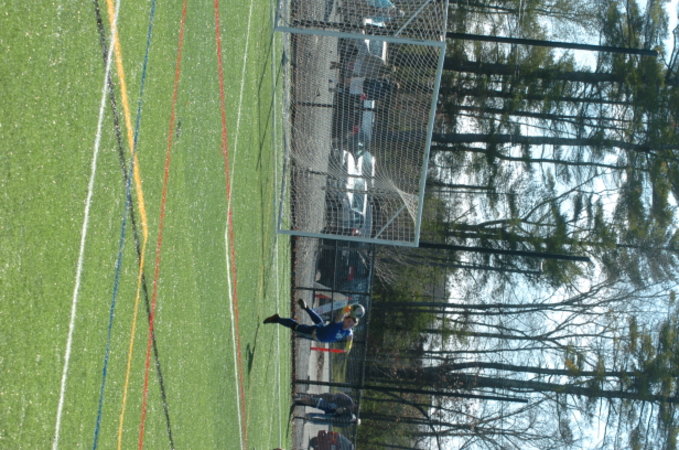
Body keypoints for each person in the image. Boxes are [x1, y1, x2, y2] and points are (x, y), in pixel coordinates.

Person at [263, 299, 357, 351]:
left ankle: (307, 308)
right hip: (315, 333)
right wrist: (348, 308)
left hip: (321, 329)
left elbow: (350, 338)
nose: (349, 325)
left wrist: (348, 347)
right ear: (345, 319)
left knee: (319, 322)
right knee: (295, 327)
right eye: (349, 322)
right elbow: (340, 315)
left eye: (351, 325)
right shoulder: (338, 323)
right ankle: (277, 319)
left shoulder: (348, 331)